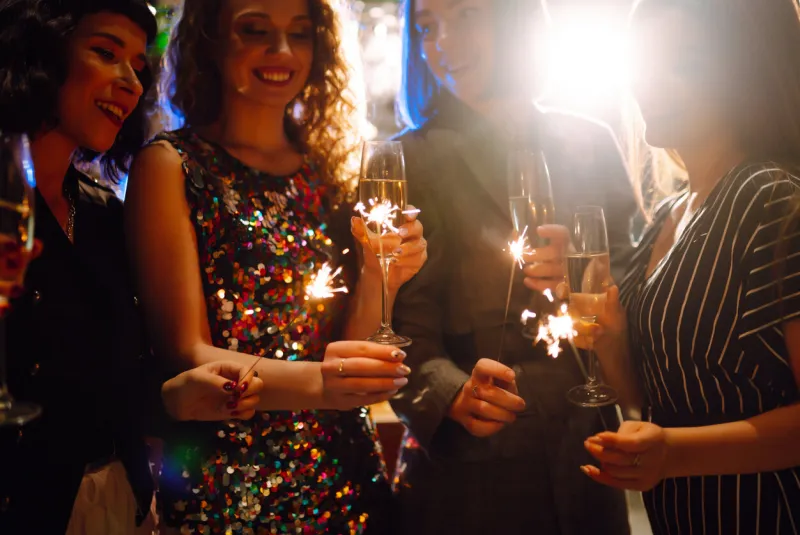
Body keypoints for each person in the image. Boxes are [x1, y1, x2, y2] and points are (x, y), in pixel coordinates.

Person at [125, 1, 427, 533]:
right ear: (211, 39)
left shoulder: (328, 173)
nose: (281, 51)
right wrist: (327, 385)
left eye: (300, 34)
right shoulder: (170, 165)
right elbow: (187, 351)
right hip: (231, 487)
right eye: (255, 30)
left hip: (348, 476)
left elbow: (352, 344)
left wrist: (384, 278)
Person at [0, 2, 266, 533]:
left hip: (118, 502)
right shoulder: (11, 208)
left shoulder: (101, 211)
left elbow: (110, 380)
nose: (130, 83)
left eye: (139, 68)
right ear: (39, 56)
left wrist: (176, 394)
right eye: (105, 53)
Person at [388, 0, 636, 534]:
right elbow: (398, 322)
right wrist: (449, 392)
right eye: (427, 27)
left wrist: (592, 280)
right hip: (470, 462)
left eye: (466, 16)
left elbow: (642, 284)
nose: (443, 43)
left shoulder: (589, 142)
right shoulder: (408, 159)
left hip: (586, 444)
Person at [573, 0, 800, 533]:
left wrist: (674, 453)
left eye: (684, 62)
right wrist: (611, 340)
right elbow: (654, 402)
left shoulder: (769, 197)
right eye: (645, 60)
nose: (651, 81)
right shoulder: (672, 212)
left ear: (747, 70)